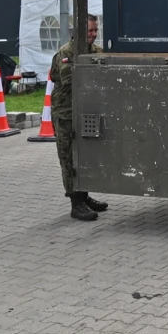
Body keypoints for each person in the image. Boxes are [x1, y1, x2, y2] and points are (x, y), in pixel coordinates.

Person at [51, 14, 108, 221]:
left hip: (87, 112)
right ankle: (75, 203)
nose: (93, 35)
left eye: (95, 31)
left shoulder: (96, 51)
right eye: (89, 31)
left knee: (85, 155)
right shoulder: (66, 52)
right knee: (68, 158)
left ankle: (84, 196)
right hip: (66, 113)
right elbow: (70, 80)